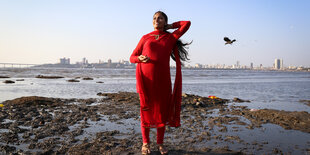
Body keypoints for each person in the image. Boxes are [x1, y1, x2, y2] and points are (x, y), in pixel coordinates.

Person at [130, 11, 191, 155]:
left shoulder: (170, 37)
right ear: (152, 22)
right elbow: (132, 57)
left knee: (162, 112)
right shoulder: (145, 38)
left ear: (164, 21)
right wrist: (140, 58)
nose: (157, 20)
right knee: (145, 111)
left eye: (160, 18)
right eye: (154, 18)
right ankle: (145, 143)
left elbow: (186, 24)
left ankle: (160, 143)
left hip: (163, 81)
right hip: (146, 81)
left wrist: (170, 26)